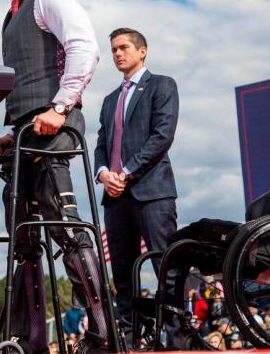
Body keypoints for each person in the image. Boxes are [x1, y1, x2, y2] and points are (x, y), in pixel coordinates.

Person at [0, 0, 106, 353]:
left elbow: (84, 49)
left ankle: (103, 333)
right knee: (22, 236)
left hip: (53, 128)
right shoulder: (9, 17)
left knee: (65, 226)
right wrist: (10, 130)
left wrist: (60, 105)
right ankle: (27, 338)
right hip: (24, 134)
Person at [93, 28, 179, 327]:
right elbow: (102, 144)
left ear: (142, 51)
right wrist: (103, 173)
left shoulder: (162, 86)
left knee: (165, 267)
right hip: (115, 197)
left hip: (151, 191)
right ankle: (129, 337)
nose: (118, 53)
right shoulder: (108, 100)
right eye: (114, 49)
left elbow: (162, 136)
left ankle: (177, 337)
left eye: (124, 47)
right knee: (122, 273)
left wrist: (125, 173)